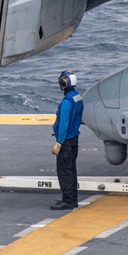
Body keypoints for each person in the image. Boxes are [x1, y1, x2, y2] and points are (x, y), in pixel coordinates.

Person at [51, 70, 83, 211]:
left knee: (64, 172)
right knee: (71, 170)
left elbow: (63, 124)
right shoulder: (77, 97)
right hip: (74, 139)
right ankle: (73, 199)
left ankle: (67, 201)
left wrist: (59, 143)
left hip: (66, 142)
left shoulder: (66, 102)